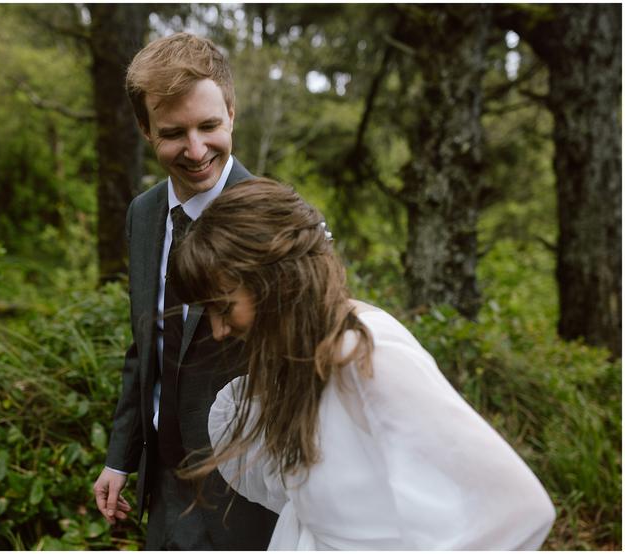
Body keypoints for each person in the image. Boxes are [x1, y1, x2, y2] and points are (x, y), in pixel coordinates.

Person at [170, 178, 557, 550]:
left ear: (276, 282)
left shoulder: (370, 358)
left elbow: (518, 508)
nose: (218, 330)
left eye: (224, 308)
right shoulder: (298, 359)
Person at [91, 33, 277, 549]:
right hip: (164, 481)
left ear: (232, 113)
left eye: (209, 126)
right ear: (146, 129)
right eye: (174, 133)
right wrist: (120, 459)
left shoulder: (274, 219)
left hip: (247, 487)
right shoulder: (144, 213)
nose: (196, 151)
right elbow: (144, 343)